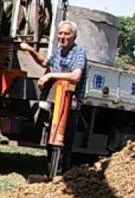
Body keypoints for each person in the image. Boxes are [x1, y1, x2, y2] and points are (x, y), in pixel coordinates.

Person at [20, 20, 87, 175]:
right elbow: (44, 62)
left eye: (66, 34)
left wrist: (50, 75)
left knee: (64, 142)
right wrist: (30, 49)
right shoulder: (58, 52)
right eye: (60, 33)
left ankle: (62, 176)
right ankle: (52, 173)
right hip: (56, 103)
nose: (62, 37)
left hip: (71, 104)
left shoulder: (78, 52)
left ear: (74, 36)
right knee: (52, 140)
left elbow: (75, 76)